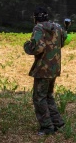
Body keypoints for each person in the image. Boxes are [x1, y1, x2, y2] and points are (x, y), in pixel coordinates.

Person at [23, 7, 69, 135]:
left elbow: (37, 48)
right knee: (48, 96)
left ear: (36, 18)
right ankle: (58, 123)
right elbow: (65, 39)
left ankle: (47, 127)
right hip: (54, 67)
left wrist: (27, 45)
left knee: (39, 98)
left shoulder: (38, 28)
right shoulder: (58, 27)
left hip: (43, 69)